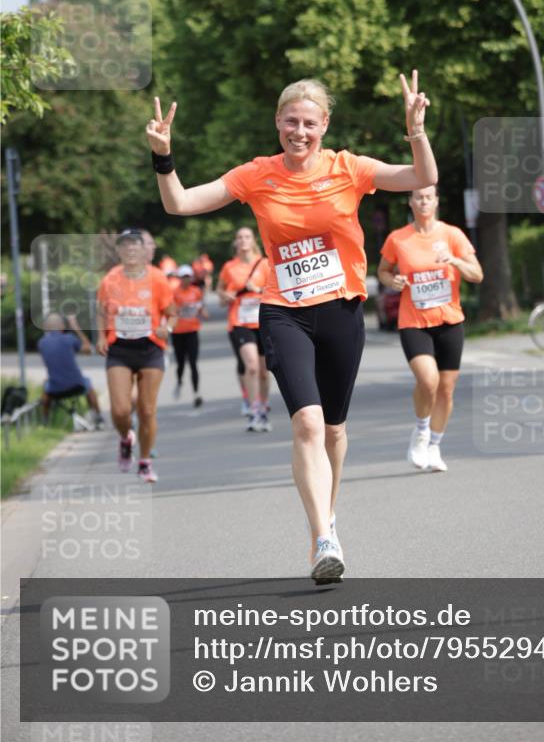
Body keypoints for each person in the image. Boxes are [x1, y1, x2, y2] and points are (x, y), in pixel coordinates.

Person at [146, 70, 437, 582]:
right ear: (277, 121)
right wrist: (163, 156)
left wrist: (416, 130)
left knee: (334, 429)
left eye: (309, 123)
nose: (299, 132)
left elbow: (421, 177)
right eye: (290, 122)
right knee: (307, 423)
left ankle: (328, 516)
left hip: (341, 309)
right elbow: (180, 203)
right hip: (285, 310)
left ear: (324, 126)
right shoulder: (257, 174)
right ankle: (322, 538)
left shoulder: (349, 168)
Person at [378, 186, 483, 472]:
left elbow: (477, 274)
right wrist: (392, 281)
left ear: (436, 201)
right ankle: (422, 432)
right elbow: (383, 271)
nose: (424, 202)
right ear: (410, 202)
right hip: (414, 322)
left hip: (450, 320)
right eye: (418, 197)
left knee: (446, 390)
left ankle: (435, 445)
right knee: (428, 380)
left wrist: (456, 260)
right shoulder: (398, 238)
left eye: (428, 197)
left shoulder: (452, 235)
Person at [96, 228, 177, 482]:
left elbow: (172, 312)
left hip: (150, 349)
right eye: (125, 245)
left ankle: (144, 462)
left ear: (144, 250)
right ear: (119, 250)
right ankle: (125, 438)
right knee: (120, 410)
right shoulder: (110, 279)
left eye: (135, 244)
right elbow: (101, 310)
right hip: (119, 349)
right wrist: (100, 336)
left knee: (147, 410)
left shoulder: (157, 278)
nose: (130, 248)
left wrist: (167, 329)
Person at [217, 226, 271, 432]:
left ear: (253, 240)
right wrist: (225, 296)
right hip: (240, 322)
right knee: (252, 366)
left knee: (264, 372)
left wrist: (257, 290)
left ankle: (263, 406)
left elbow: (276, 288)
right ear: (235, 242)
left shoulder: (265, 264)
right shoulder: (229, 267)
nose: (243, 240)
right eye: (239, 237)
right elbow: (220, 289)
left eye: (247, 236)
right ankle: (253, 409)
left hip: (263, 321)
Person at [37, 313, 103, 427]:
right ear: (62, 327)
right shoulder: (69, 338)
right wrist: (76, 327)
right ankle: (98, 417)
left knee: (45, 387)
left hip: (55, 389)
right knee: (89, 385)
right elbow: (88, 350)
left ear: (46, 327)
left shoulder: (41, 343)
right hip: (77, 385)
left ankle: (45, 421)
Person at [172, 263, 209, 407]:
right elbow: (170, 311)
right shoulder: (174, 293)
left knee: (193, 363)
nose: (186, 279)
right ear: (179, 278)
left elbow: (200, 307)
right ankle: (179, 381)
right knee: (181, 363)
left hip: (192, 331)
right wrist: (178, 310)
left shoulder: (196, 291)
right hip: (178, 332)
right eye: (183, 277)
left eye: (188, 277)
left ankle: (196, 393)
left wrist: (203, 313)